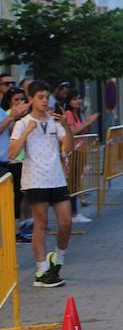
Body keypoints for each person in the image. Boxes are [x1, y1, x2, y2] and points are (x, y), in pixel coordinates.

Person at [10, 80, 74, 288]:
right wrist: (27, 131)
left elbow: (69, 146)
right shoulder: (22, 123)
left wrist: (65, 125)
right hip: (35, 179)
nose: (45, 101)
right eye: (40, 97)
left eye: (47, 97)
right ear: (31, 100)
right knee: (41, 224)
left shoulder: (55, 121)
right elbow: (12, 153)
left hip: (56, 178)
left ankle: (57, 259)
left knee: (66, 222)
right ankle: (41, 270)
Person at [0, 84, 32, 242]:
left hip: (11, 161)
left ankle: (20, 229)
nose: (20, 102)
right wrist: (13, 117)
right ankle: (13, 233)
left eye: (22, 99)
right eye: (16, 100)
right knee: (12, 199)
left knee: (20, 197)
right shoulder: (8, 114)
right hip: (8, 162)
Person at [63, 90, 100, 224]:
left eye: (79, 98)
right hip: (74, 151)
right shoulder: (68, 114)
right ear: (68, 101)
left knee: (76, 182)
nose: (78, 101)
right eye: (74, 99)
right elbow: (72, 132)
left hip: (81, 150)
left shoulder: (78, 113)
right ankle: (73, 213)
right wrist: (88, 122)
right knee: (73, 182)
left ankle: (74, 211)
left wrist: (88, 123)